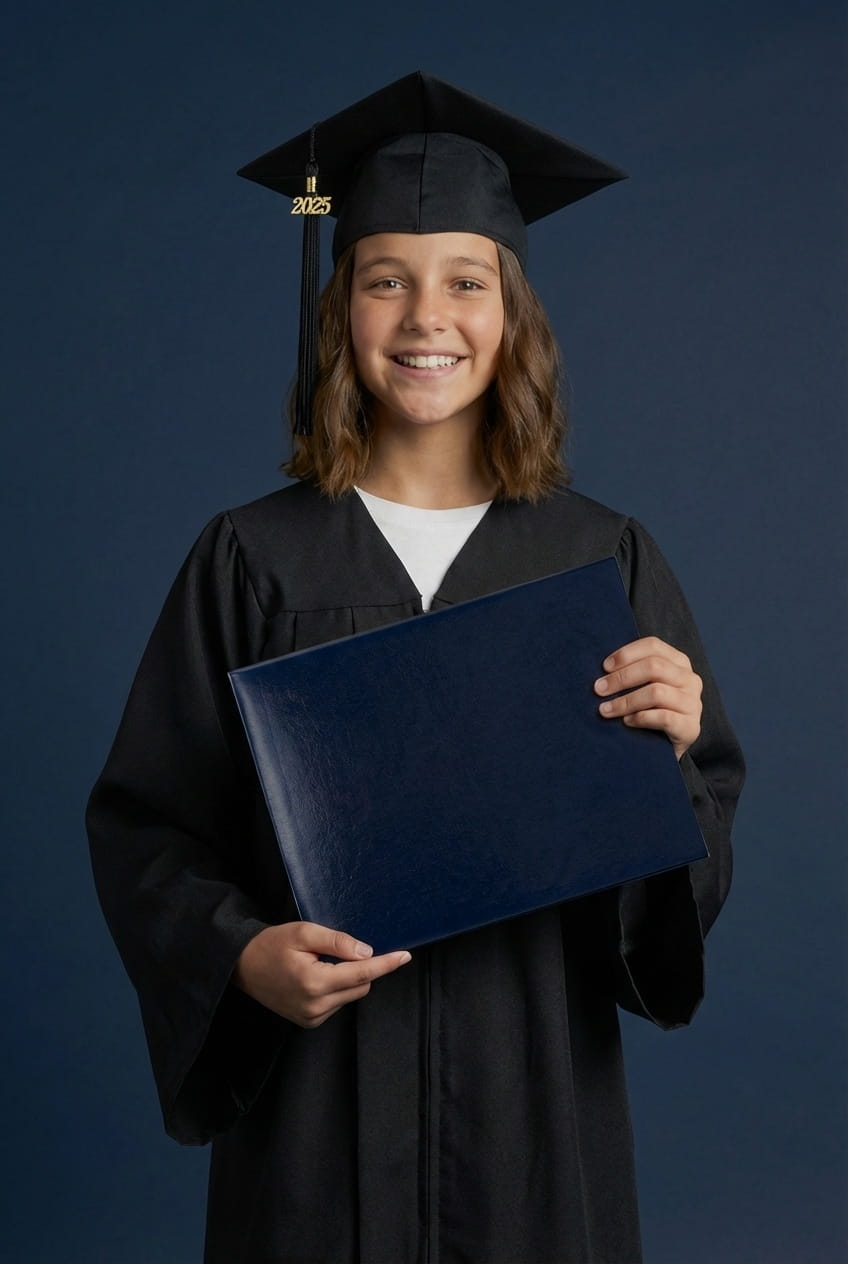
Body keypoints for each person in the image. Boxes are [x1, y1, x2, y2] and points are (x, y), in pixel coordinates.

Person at [87, 72, 745, 1264]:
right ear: (340, 306)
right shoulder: (253, 558)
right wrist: (239, 953)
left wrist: (672, 753)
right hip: (314, 1116)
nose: (424, 316)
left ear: (512, 312)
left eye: (465, 280)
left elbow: (681, 882)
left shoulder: (598, 555)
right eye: (385, 278)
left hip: (531, 1096)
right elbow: (148, 826)